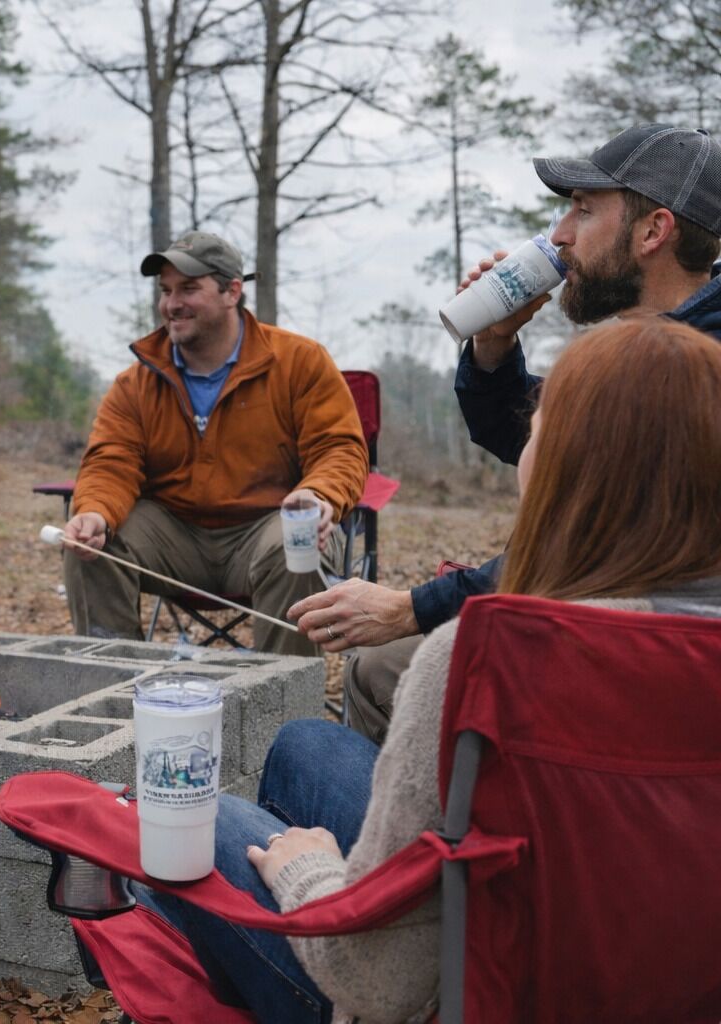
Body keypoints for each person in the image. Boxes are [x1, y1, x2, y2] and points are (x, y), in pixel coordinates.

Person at [133, 317, 721, 1023]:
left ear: (572, 465)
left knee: (185, 818)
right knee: (304, 746)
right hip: (656, 966)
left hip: (483, 994)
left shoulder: (485, 660)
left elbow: (380, 985)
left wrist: (310, 873)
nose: (525, 443)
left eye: (538, 426)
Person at [292, 122, 721, 742]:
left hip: (648, 677)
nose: (560, 235)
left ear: (654, 230)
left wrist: (411, 608)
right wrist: (494, 346)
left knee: (373, 679)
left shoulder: (692, 372)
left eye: (582, 210)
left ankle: (441, 833)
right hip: (622, 638)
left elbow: (574, 544)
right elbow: (533, 440)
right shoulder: (655, 348)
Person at [62, 231, 368, 656]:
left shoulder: (300, 361)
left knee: (295, 544)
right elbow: (111, 461)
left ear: (232, 291)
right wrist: (95, 512)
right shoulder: (136, 384)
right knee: (91, 546)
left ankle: (284, 711)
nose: (172, 303)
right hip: (174, 536)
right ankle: (114, 690)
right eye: (166, 291)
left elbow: (339, 447)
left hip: (265, 528)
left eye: (189, 288)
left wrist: (318, 496)